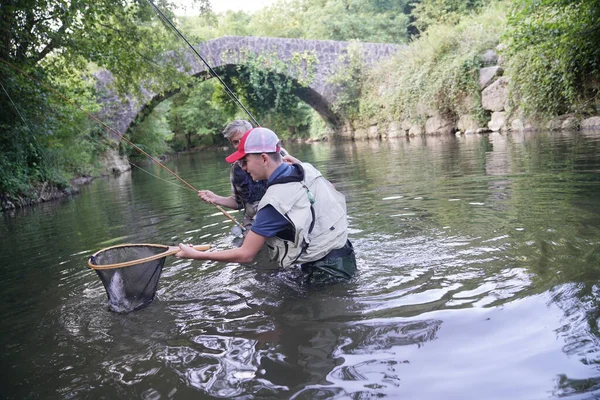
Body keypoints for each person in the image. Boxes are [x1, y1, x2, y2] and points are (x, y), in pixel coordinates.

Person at [176, 127, 357, 285]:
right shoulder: (307, 169)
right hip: (346, 255)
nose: (243, 168)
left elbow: (245, 254)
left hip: (324, 273)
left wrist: (197, 255)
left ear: (263, 158)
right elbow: (330, 189)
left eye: (244, 161)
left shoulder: (272, 203)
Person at [198, 120, 267, 232]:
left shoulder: (274, 155)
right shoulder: (236, 170)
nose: (240, 144)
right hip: (253, 224)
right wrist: (215, 198)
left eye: (243, 139)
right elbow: (238, 203)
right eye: (235, 142)